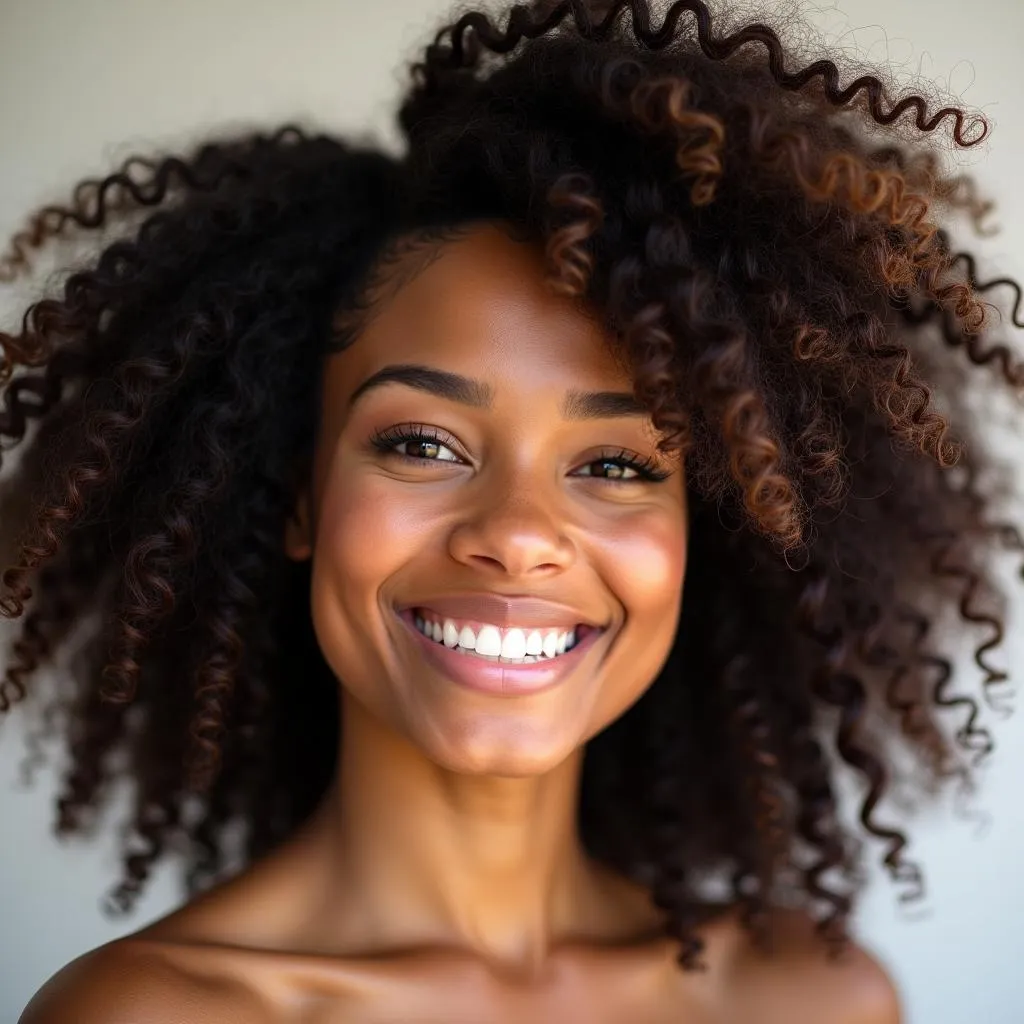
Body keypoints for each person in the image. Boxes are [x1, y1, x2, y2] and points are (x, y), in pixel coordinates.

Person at [3, 0, 1019, 1019]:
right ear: (301, 497)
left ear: (705, 529)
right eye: (421, 444)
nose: (520, 532)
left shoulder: (811, 1000)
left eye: (617, 463)